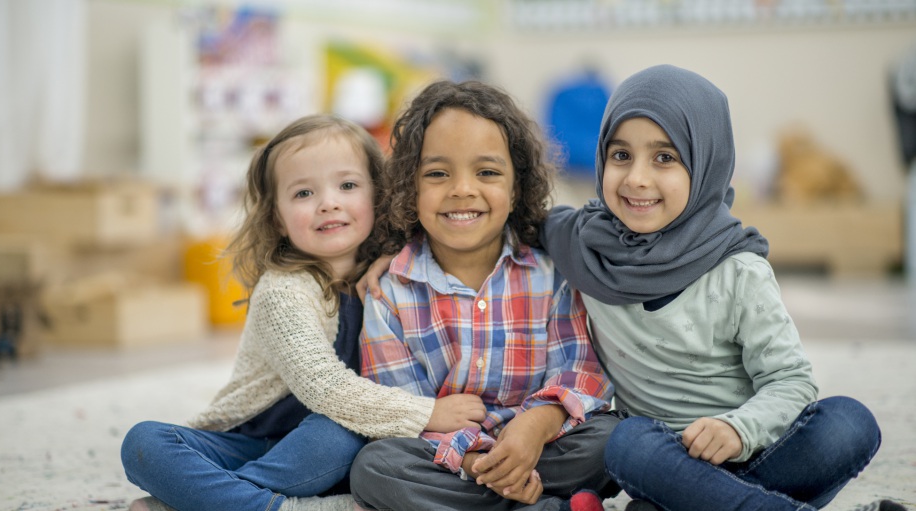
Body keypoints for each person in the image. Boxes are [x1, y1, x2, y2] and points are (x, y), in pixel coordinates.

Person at [538, 64, 883, 511]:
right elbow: (511, 216)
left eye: (664, 158)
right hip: (663, 460)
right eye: (621, 155)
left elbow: (790, 381)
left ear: (706, 163)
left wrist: (738, 430)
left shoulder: (737, 270)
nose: (637, 178)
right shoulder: (585, 246)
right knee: (625, 442)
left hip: (759, 451)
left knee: (851, 423)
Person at [120, 114, 487, 511]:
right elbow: (323, 387)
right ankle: (282, 507)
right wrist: (428, 412)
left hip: (331, 445)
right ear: (277, 218)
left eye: (347, 185)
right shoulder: (283, 290)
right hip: (250, 441)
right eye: (302, 194)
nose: (329, 203)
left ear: (377, 197)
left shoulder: (394, 269)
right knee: (144, 442)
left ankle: (199, 502)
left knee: (343, 436)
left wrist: (390, 257)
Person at [349, 80, 623, 511]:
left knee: (613, 441)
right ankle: (538, 504)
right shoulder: (390, 292)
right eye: (438, 173)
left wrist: (535, 426)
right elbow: (400, 412)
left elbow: (579, 373)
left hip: (544, 443)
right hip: (450, 459)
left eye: (488, 172)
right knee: (376, 467)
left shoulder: (551, 274)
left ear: (516, 189)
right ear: (410, 186)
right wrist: (477, 461)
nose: (462, 189)